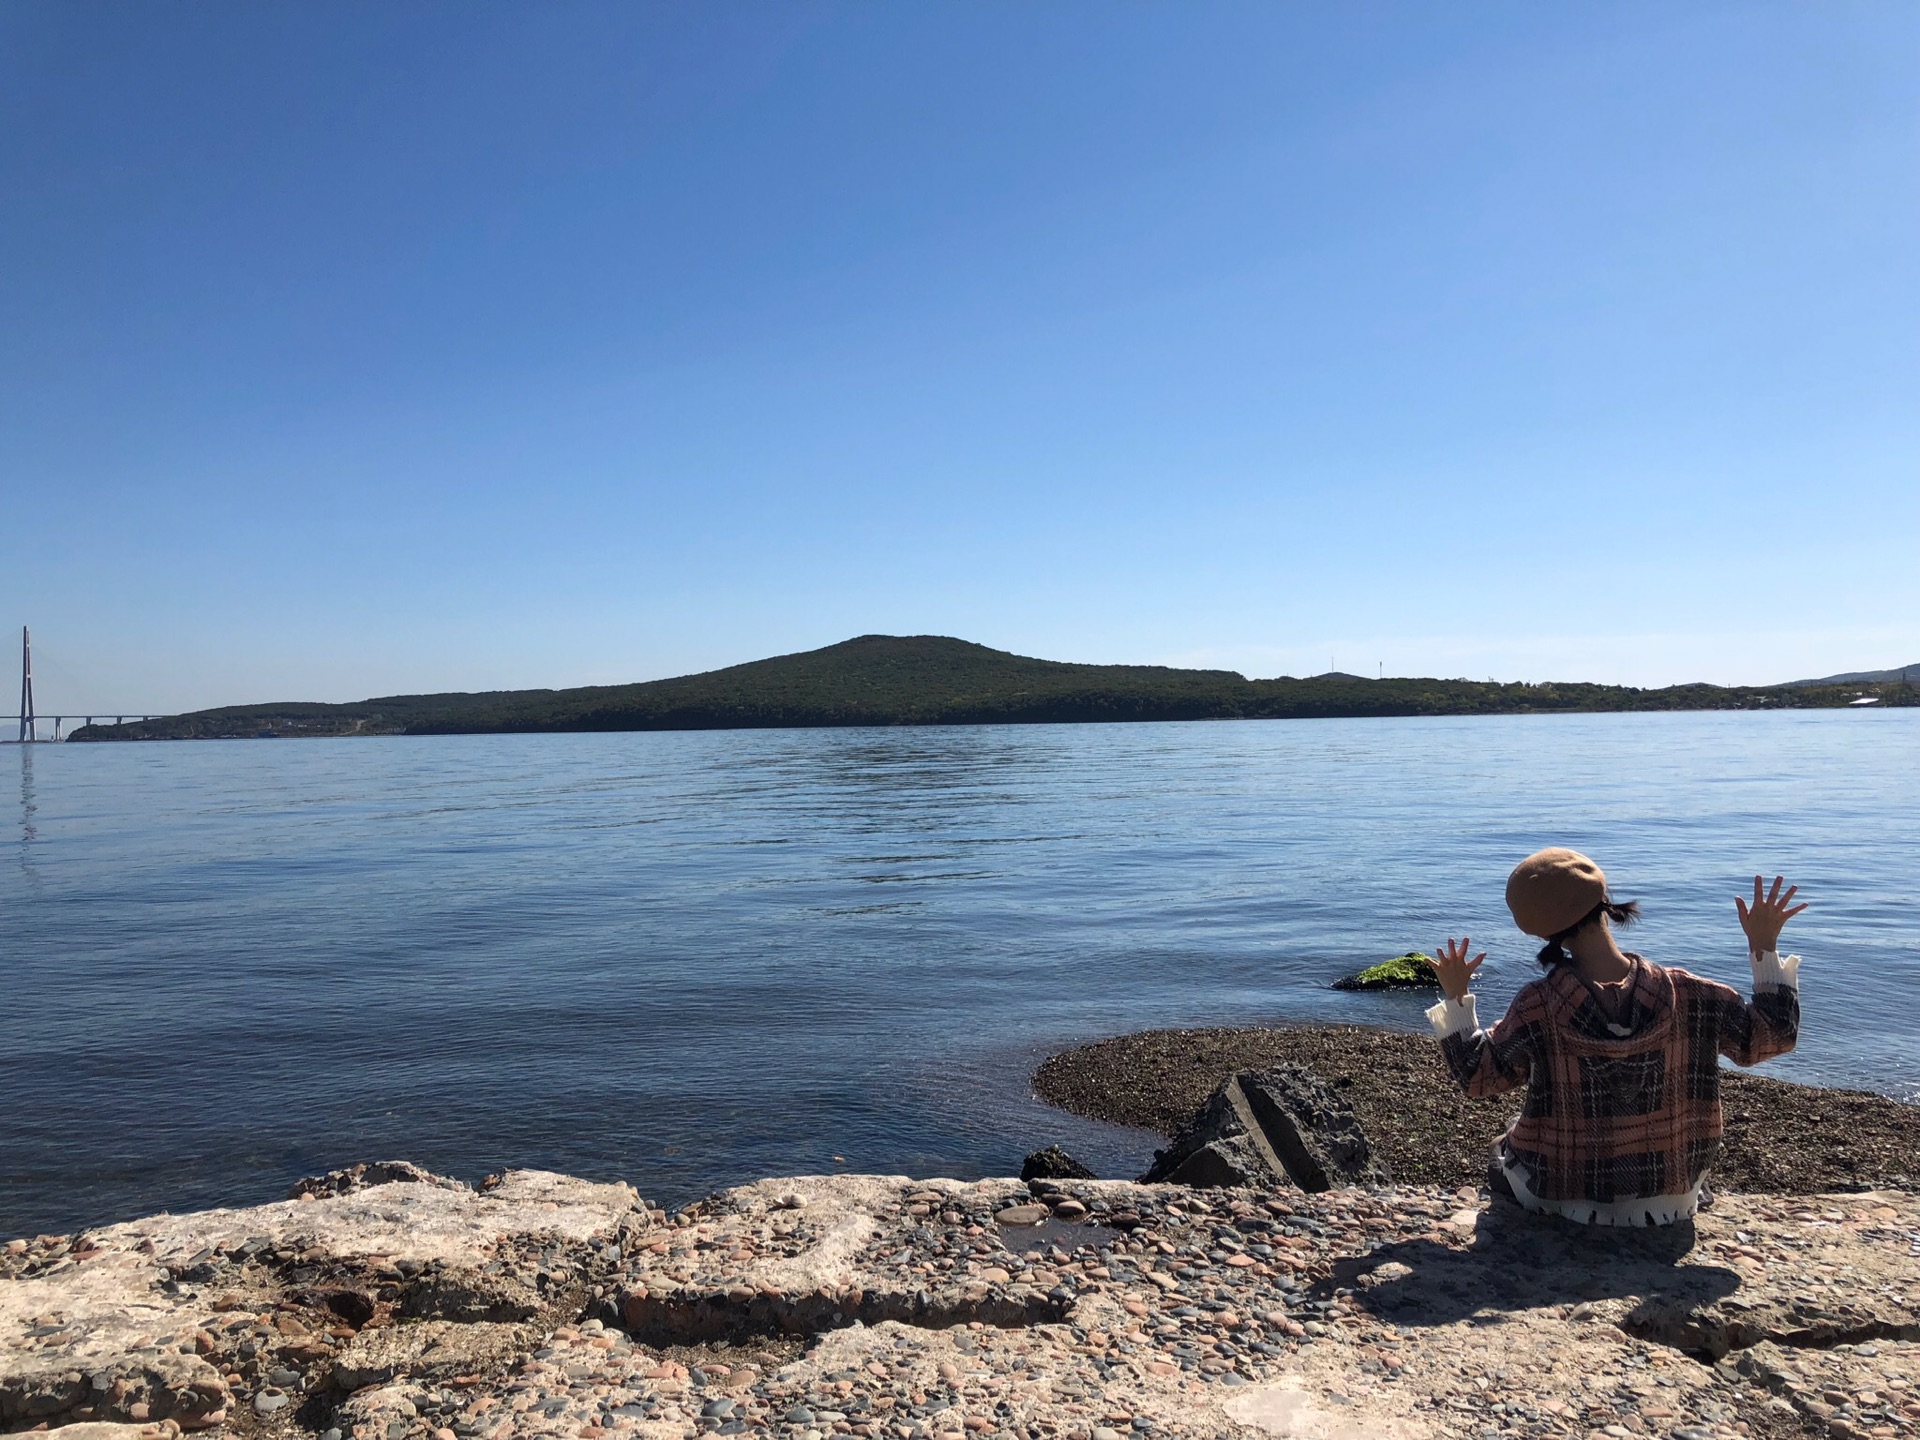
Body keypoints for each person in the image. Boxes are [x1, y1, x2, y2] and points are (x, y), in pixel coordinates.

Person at [1427, 848, 1804, 1226]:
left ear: (1540, 932)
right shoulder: (1691, 993)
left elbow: (1478, 1077)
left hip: (1563, 1195)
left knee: (1502, 1148)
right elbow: (1773, 1036)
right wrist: (1763, 946)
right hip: (1676, 1194)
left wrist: (1457, 997)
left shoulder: (1537, 1005)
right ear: (1604, 900)